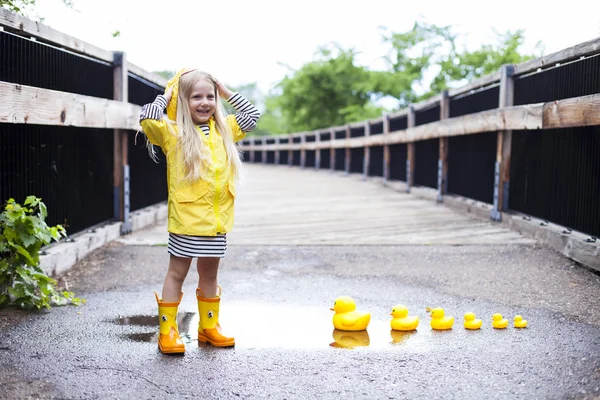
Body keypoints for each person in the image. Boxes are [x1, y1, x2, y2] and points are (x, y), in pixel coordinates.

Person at [139, 68, 260, 354]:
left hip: (216, 221)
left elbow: (252, 116)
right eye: (196, 97)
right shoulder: (172, 132)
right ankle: (168, 331)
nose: (204, 103)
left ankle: (209, 327)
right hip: (186, 220)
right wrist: (166, 96)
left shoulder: (225, 129)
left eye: (210, 96)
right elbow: (146, 118)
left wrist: (226, 91)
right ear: (183, 100)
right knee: (177, 273)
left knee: (209, 274)